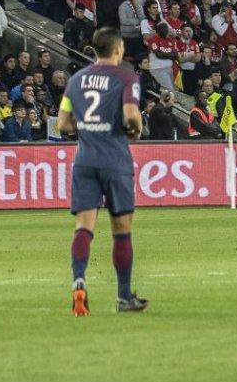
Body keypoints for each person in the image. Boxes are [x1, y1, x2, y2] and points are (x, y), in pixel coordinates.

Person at [56, 27, 148, 316]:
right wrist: (136, 129)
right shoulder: (126, 77)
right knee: (121, 229)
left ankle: (79, 281)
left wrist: (87, 127)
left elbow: (62, 124)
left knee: (84, 226)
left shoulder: (75, 80)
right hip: (115, 160)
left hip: (85, 160)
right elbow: (131, 116)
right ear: (118, 49)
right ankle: (123, 297)